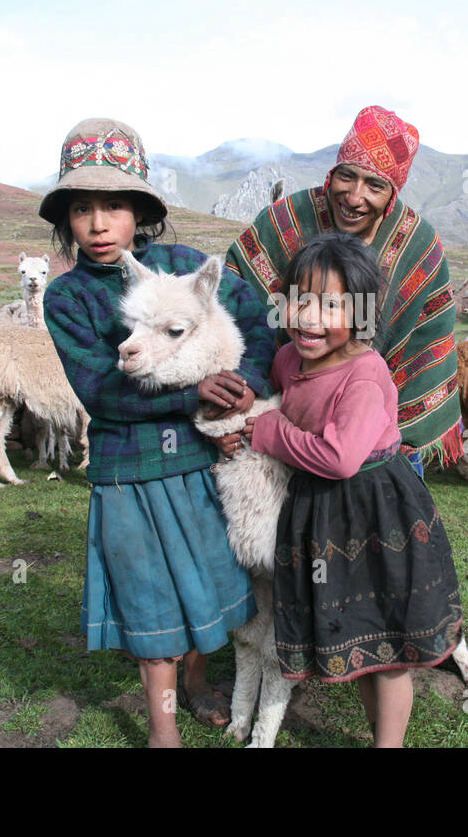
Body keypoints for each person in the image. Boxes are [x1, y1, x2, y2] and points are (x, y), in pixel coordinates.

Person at [39, 118, 276, 747]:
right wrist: (192, 392)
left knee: (199, 585)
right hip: (130, 473)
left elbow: (255, 323)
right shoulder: (67, 298)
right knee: (150, 596)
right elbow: (101, 389)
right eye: (82, 208)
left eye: (112, 206)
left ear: (138, 209)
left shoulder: (181, 269)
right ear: (66, 218)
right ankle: (162, 729)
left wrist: (244, 382)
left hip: (201, 465)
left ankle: (198, 683)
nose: (97, 223)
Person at [232, 232, 464, 747]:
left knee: (389, 645)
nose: (311, 318)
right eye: (301, 301)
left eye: (333, 305)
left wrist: (268, 432)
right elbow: (280, 407)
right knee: (357, 637)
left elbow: (339, 457)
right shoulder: (288, 360)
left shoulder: (363, 372)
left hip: (375, 512)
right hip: (320, 514)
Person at [224, 105, 465, 477]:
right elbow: (237, 302)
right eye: (346, 177)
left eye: (375, 185)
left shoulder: (418, 245)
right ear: (332, 173)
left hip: (377, 434)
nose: (354, 197)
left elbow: (426, 338)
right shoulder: (285, 221)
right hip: (285, 406)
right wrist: (251, 387)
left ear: (393, 193)